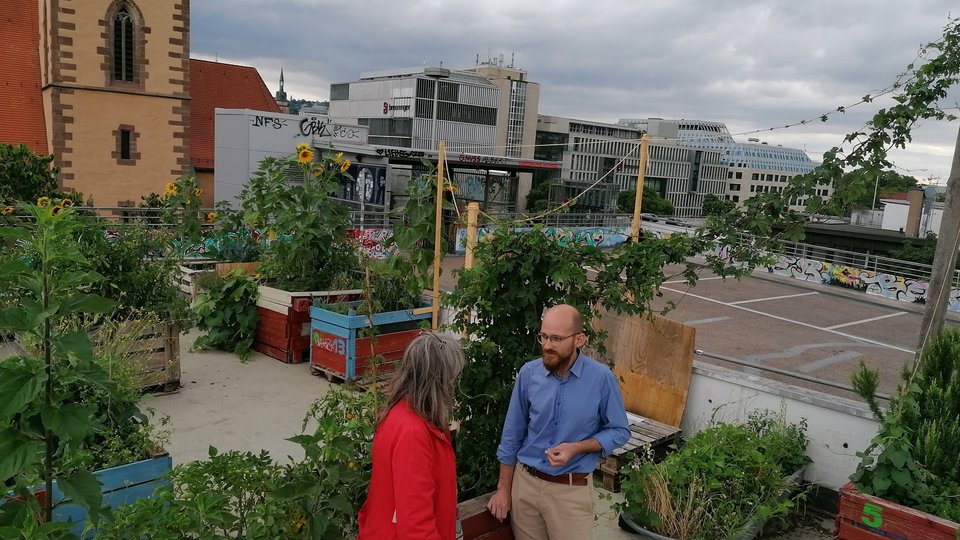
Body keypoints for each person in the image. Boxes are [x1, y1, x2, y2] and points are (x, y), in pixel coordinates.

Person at [487, 304, 630, 540]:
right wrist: (503, 490)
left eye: (556, 338)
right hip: (525, 488)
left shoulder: (601, 379)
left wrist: (578, 447)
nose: (547, 345)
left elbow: (619, 430)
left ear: (579, 340)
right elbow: (512, 434)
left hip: (570, 493)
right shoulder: (528, 374)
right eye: (543, 336)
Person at [357, 331, 465, 540]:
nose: (453, 385)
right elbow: (415, 524)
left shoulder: (406, 414)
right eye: (451, 377)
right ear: (438, 380)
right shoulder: (413, 433)